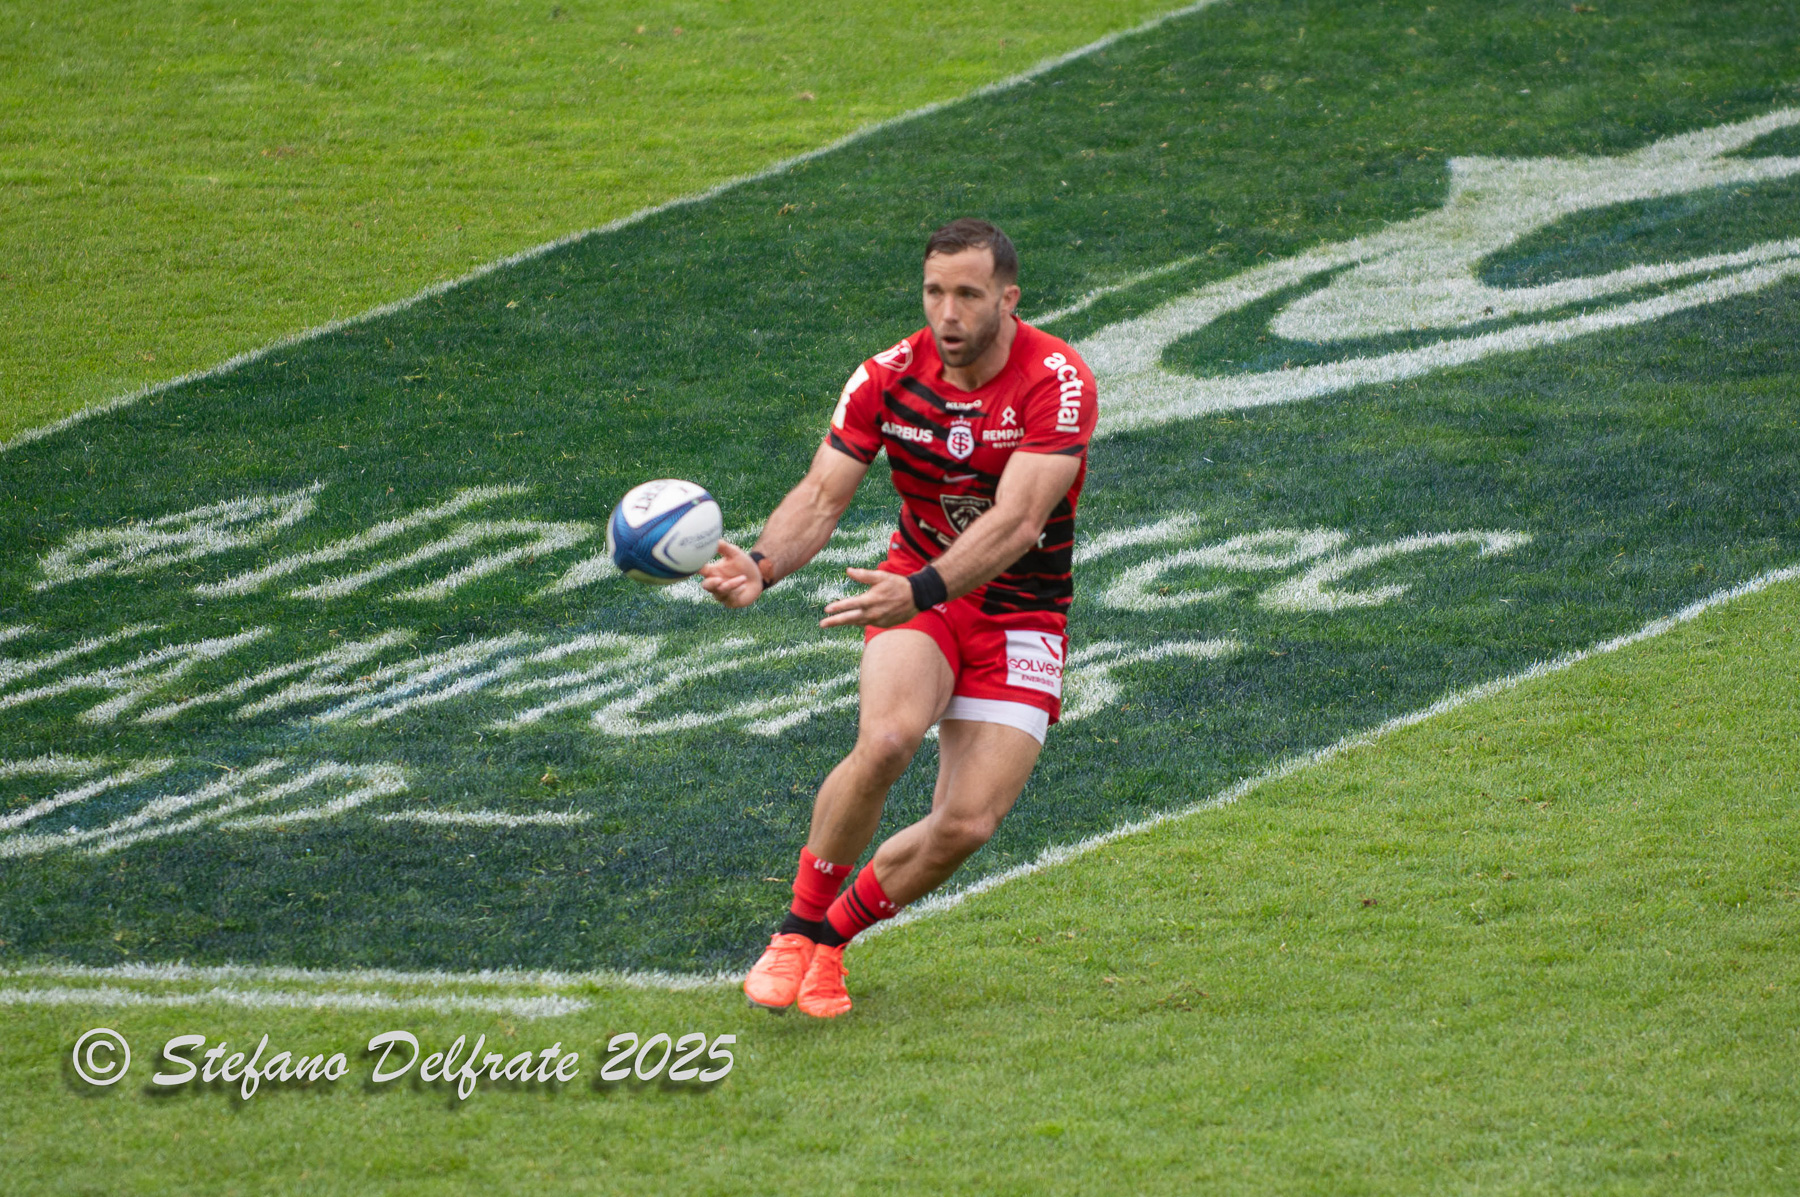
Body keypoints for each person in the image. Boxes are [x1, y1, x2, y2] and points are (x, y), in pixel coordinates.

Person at [700, 218, 1098, 1017]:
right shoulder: (886, 376)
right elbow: (821, 495)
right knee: (884, 741)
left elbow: (1019, 523)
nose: (947, 314)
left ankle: (832, 942)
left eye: (968, 295)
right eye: (933, 292)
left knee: (968, 824)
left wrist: (918, 589)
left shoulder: (1057, 379)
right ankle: (794, 929)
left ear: (1008, 298)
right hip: (920, 595)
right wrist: (766, 566)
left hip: (1019, 614)